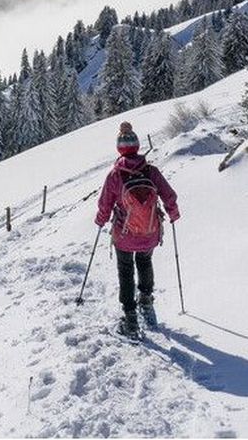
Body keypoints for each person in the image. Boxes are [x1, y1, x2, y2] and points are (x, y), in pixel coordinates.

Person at [94, 121, 180, 336]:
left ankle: (130, 317)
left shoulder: (116, 175)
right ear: (138, 146)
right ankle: (146, 301)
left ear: (119, 148)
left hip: (124, 234)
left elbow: (105, 203)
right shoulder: (151, 171)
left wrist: (100, 220)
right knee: (144, 262)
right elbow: (169, 195)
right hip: (150, 232)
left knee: (125, 270)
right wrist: (173, 213)